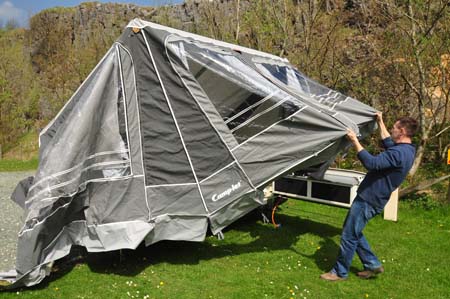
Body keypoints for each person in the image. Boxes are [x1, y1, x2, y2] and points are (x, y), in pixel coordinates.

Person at [320, 112, 418, 281]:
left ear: (401, 131)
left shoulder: (398, 153)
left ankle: (339, 272)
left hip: (370, 199)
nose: (391, 130)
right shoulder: (407, 149)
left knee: (349, 234)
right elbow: (388, 141)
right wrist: (380, 122)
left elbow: (371, 163)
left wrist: (354, 141)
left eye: (394, 127)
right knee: (354, 231)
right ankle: (372, 264)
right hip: (376, 198)